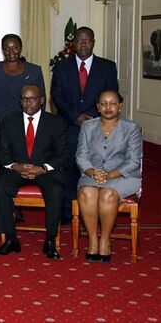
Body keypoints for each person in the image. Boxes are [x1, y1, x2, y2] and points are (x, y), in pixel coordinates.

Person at [0, 85, 70, 260]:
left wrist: (42, 168)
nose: (28, 103)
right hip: (16, 170)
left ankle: (50, 240)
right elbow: (1, 152)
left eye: (32, 99)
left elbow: (64, 155)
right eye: (24, 99)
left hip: (45, 171)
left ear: (41, 100)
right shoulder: (9, 121)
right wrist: (16, 166)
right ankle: (10, 239)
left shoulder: (55, 122)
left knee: (56, 190)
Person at [51, 26, 118, 223]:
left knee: (95, 169)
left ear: (93, 43)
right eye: (79, 40)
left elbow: (111, 96)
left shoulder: (107, 67)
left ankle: (92, 213)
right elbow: (57, 96)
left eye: (87, 40)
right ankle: (66, 213)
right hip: (69, 126)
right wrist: (76, 117)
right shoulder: (62, 67)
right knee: (69, 169)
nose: (83, 44)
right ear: (73, 44)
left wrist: (93, 117)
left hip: (97, 127)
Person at [76, 90, 142, 262]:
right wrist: (92, 172)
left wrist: (109, 175)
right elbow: (81, 156)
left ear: (120, 106)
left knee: (108, 193)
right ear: (97, 107)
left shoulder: (131, 128)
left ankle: (105, 239)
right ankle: (92, 239)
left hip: (124, 176)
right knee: (87, 192)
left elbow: (134, 161)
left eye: (112, 103)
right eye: (103, 103)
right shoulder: (87, 126)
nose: (108, 107)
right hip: (93, 173)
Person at [0, 34, 46, 120]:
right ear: (2, 50)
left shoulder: (34, 71)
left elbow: (41, 101)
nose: (11, 52)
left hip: (26, 125)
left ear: (21, 48)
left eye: (15, 48)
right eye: (7, 48)